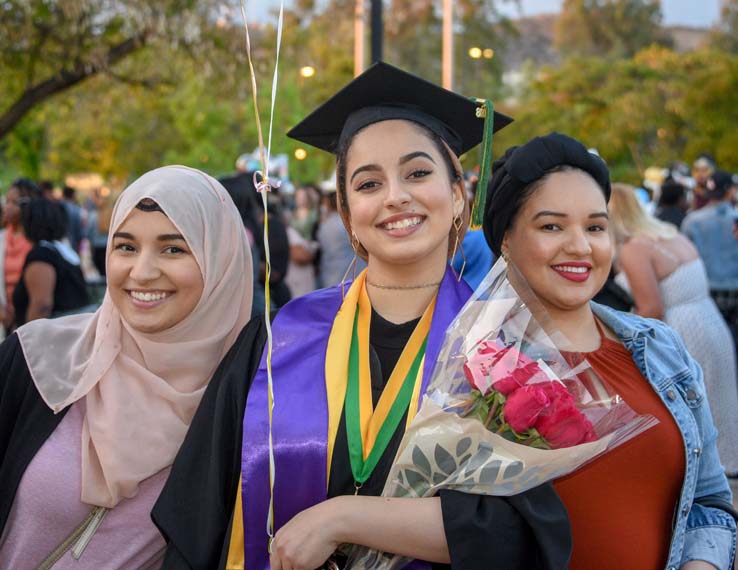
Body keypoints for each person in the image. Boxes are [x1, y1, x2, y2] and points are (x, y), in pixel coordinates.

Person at [153, 63, 572, 570]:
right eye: (368, 183)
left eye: (418, 173)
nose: (396, 195)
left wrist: (342, 518)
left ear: (458, 194)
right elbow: (198, 518)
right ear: (348, 213)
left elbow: (520, 535)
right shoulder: (276, 338)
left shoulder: (503, 348)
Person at [482, 132, 737, 570]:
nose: (581, 246)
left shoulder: (660, 348)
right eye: (551, 226)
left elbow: (709, 499)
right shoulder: (483, 369)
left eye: (595, 227)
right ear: (505, 239)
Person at [0, 166, 253, 568]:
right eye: (126, 247)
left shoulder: (246, 404)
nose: (142, 272)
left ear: (221, 263)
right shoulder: (39, 360)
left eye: (174, 249)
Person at [609, 182, 738, 475]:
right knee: (717, 408)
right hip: (711, 322)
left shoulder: (633, 249)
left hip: (681, 331)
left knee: (689, 414)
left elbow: (651, 308)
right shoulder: (669, 234)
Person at [11, 197, 91, 325]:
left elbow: (42, 306)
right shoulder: (61, 249)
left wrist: (26, 339)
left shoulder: (41, 255)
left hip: (48, 338)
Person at [682, 170, 738, 290]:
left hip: (704, 289)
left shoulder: (691, 220)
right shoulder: (735, 217)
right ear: (731, 191)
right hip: (734, 286)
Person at [1, 178, 38, 331]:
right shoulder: (2, 238)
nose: (7, 207)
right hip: (4, 318)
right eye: (7, 201)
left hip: (29, 319)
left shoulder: (36, 240)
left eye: (14, 203)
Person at [61, 185, 85, 253]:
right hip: (73, 245)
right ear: (73, 195)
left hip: (59, 246)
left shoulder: (56, 207)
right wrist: (81, 249)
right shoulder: (76, 209)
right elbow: (80, 231)